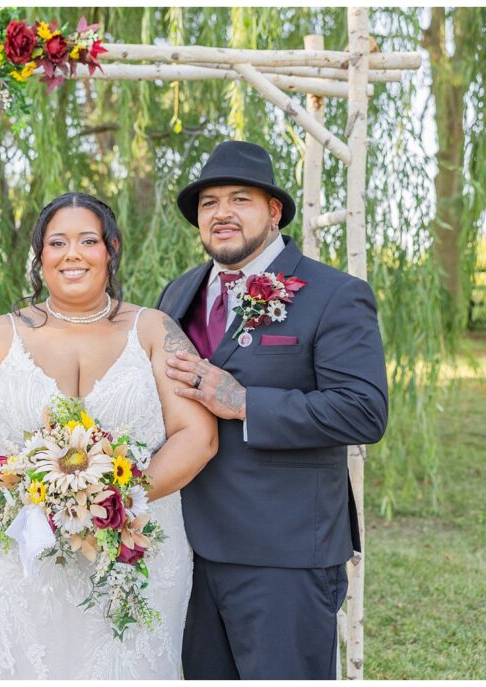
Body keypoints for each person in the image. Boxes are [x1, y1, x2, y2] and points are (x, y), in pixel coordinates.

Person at [0, 192, 218, 679]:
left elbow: (198, 436)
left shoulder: (153, 331)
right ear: (40, 256)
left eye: (88, 240)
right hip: (22, 561)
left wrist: (114, 499)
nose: (72, 254)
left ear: (111, 249)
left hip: (137, 555)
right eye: (57, 242)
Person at [155, 140, 389, 679]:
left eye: (241, 199)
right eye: (209, 203)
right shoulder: (179, 293)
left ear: (274, 211)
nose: (222, 214)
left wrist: (243, 402)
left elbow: (363, 411)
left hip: (282, 554)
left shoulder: (334, 294)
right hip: (188, 548)